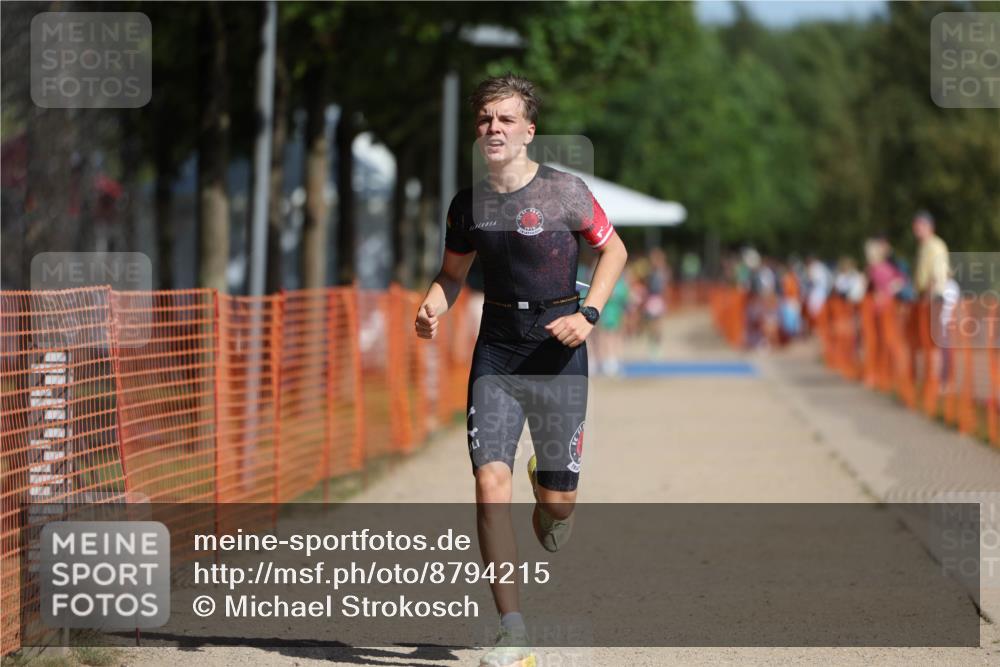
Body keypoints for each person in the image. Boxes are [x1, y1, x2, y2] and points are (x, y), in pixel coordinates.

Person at [413, 73, 628, 667]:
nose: (494, 129)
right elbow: (452, 276)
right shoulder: (467, 206)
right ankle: (513, 631)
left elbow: (614, 250)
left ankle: (548, 486)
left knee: (558, 507)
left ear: (529, 131)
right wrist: (432, 305)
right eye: (485, 120)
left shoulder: (566, 193)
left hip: (559, 350)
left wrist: (589, 314)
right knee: (488, 485)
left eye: (506, 119)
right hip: (499, 354)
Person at [912, 210, 954, 388]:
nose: (916, 229)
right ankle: (934, 378)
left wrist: (928, 295)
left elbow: (937, 275)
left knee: (938, 339)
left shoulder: (935, 246)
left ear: (930, 226)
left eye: (920, 225)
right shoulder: (924, 245)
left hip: (935, 296)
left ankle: (942, 380)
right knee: (931, 339)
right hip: (927, 296)